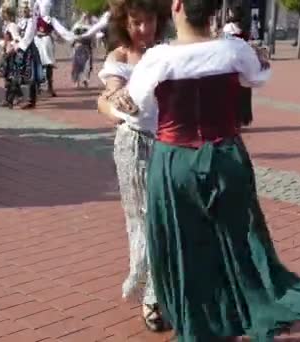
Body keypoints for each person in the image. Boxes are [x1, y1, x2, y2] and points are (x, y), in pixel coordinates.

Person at [119, 0, 300, 340]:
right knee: (238, 240)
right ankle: (241, 309)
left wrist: (114, 95)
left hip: (175, 160)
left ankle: (200, 325)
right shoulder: (235, 50)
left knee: (184, 246)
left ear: (177, 6)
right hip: (227, 155)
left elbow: (134, 108)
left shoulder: (158, 58)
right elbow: (257, 76)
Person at [96, 0, 170, 332]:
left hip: (170, 145)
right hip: (135, 146)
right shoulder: (119, 58)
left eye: (150, 21)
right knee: (144, 220)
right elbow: (110, 95)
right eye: (136, 22)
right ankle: (151, 296)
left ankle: (160, 287)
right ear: (124, 23)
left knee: (168, 218)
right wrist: (116, 102)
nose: (144, 29)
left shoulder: (167, 52)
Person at [223, 5, 254, 128]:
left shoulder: (229, 27)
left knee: (232, 93)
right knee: (243, 92)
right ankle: (242, 119)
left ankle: (234, 120)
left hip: (231, 62)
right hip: (244, 61)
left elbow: (225, 44)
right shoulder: (244, 27)